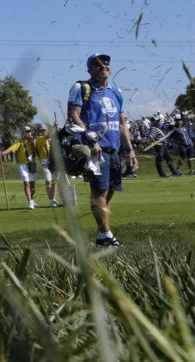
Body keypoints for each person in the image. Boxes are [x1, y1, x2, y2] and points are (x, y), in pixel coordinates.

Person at [67, 53, 138, 248]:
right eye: (97, 65)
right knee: (99, 192)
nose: (103, 66)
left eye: (106, 63)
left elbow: (122, 123)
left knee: (110, 192)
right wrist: (90, 139)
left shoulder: (115, 90)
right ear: (89, 69)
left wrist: (130, 150)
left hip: (114, 149)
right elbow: (74, 114)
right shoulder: (83, 88)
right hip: (96, 150)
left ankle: (102, 235)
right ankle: (106, 235)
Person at [0, 126, 58, 209]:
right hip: (22, 165)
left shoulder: (34, 140)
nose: (29, 133)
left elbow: (45, 139)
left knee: (32, 184)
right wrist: (3, 153)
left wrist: (53, 127)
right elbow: (11, 149)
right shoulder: (19, 141)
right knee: (27, 183)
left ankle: (33, 201)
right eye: (26, 132)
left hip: (32, 164)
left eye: (29, 131)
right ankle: (30, 202)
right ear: (23, 133)